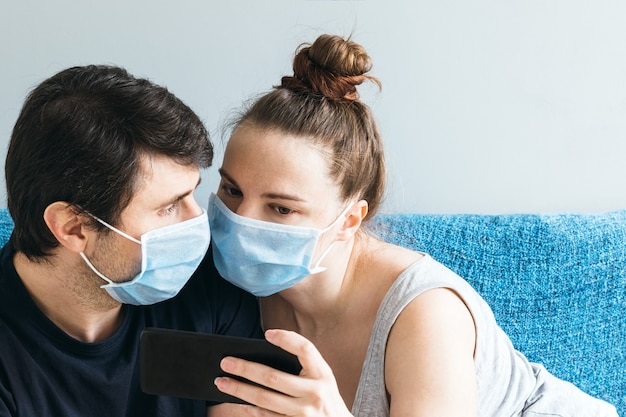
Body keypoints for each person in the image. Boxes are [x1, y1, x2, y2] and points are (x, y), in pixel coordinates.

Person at [205, 34, 619, 416]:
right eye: (232, 190)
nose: (241, 222)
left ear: (348, 221)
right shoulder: (228, 290)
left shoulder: (424, 314)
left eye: (280, 209)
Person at [0, 65, 261, 416]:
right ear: (73, 227)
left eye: (191, 195)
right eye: (168, 207)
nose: (198, 223)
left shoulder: (209, 286)